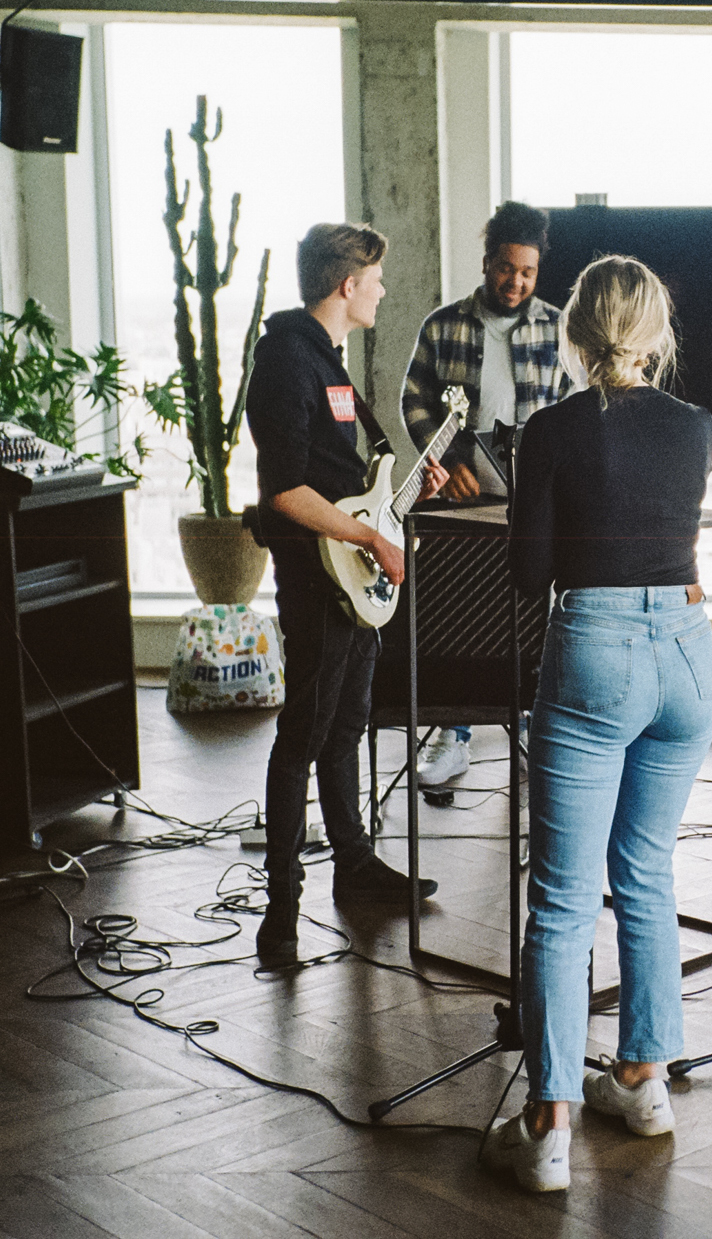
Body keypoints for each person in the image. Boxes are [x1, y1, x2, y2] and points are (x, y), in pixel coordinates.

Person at [482, 256, 712, 1193]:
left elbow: (528, 573)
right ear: (658, 335)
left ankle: (547, 1129)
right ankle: (646, 1080)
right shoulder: (697, 426)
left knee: (564, 897)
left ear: (574, 334)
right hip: (689, 653)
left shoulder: (551, 430)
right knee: (648, 871)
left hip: (596, 648)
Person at [244, 222, 448, 955]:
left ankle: (354, 864)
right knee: (302, 733)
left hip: (351, 580)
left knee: (345, 727)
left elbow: (347, 487)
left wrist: (404, 499)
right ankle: (282, 907)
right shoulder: (287, 361)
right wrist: (371, 538)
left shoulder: (325, 361)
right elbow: (285, 494)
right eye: (377, 278)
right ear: (347, 285)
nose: (384, 290)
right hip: (316, 578)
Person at [401, 202, 574, 790]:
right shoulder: (442, 325)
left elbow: (576, 409)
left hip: (535, 499)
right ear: (486, 262)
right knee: (458, 611)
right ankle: (455, 735)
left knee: (532, 609)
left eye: (527, 272)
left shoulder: (559, 327)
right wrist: (446, 458)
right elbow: (414, 400)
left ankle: (528, 726)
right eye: (506, 268)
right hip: (461, 498)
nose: (516, 281)